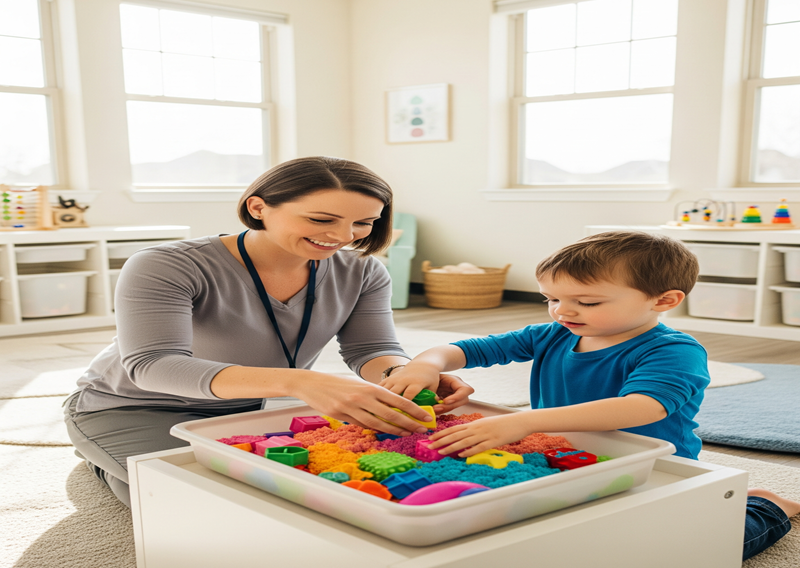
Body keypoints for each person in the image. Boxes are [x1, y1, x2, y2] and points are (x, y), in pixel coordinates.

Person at [64, 156, 471, 508]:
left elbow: (372, 348)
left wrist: (403, 375)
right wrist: (302, 382)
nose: (343, 236)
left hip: (255, 405)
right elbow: (153, 365)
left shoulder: (364, 272)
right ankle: (104, 457)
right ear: (258, 207)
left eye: (363, 223)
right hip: (133, 407)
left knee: (313, 493)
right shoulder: (166, 264)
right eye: (321, 219)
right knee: (204, 504)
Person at [381, 230, 799, 560]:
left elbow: (641, 408)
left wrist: (521, 421)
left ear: (664, 300)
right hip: (563, 451)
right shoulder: (553, 333)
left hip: (656, 465)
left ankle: (768, 507)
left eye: (587, 301)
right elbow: (469, 349)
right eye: (551, 299)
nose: (563, 311)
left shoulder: (673, 351)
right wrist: (426, 364)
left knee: (680, 551)